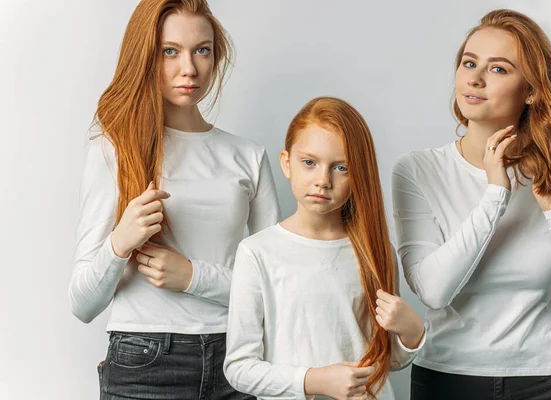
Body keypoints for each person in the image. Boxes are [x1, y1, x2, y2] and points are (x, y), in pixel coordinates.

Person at [68, 1, 279, 398]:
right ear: (145, 56)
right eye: (170, 51)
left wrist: (193, 277)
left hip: (238, 358)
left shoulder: (249, 156)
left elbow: (278, 287)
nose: (190, 68)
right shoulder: (113, 151)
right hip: (143, 362)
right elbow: (82, 304)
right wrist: (119, 243)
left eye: (202, 49)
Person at [392, 9, 551, 400]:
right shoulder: (418, 170)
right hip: (448, 378)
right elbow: (433, 292)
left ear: (532, 90)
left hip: (546, 379)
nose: (475, 78)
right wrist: (495, 193)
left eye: (499, 69)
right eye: (469, 63)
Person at [224, 97, 426, 400]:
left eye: (340, 167)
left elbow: (386, 360)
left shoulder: (375, 252)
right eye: (309, 162)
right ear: (286, 163)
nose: (322, 180)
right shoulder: (257, 252)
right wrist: (315, 381)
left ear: (358, 175)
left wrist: (412, 333)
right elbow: (240, 367)